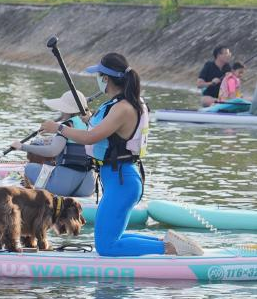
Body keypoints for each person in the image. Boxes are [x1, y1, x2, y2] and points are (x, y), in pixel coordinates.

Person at [40, 53, 202, 257]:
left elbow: (91, 137)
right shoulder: (124, 104)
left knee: (106, 247)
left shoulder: (123, 108)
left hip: (122, 181)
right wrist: (90, 118)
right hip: (119, 179)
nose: (98, 80)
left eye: (99, 76)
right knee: (112, 238)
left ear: (106, 79)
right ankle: (168, 242)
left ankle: (168, 249)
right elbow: (108, 131)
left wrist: (58, 128)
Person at [12, 92, 96, 198]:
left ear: (66, 110)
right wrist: (53, 139)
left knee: (29, 167)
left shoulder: (67, 125)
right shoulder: (91, 124)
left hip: (64, 186)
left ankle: (33, 195)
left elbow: (53, 151)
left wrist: (22, 147)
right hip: (87, 186)